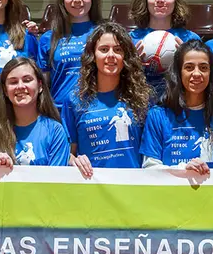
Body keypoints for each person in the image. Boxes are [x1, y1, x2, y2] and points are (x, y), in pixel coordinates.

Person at [140, 40, 213, 173]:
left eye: (203, 67)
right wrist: (184, 170)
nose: (196, 74)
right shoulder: (158, 114)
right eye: (189, 67)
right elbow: (150, 167)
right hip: (171, 192)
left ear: (211, 73)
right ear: (178, 72)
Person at [62, 22, 151, 178]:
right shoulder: (74, 100)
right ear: (93, 56)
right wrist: (74, 161)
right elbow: (68, 154)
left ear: (126, 57)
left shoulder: (142, 98)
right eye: (104, 50)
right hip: (93, 188)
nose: (111, 55)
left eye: (118, 50)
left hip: (133, 188)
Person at [0, 57, 69, 167]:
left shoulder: (55, 131)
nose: (20, 86)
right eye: (13, 82)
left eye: (27, 80)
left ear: (40, 86)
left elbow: (56, 180)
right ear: (5, 90)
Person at [129, 0, 201, 99]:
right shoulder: (131, 39)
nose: (160, 0)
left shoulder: (190, 40)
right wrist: (132, 65)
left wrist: (187, 61)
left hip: (178, 109)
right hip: (141, 109)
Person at [37, 0, 102, 110]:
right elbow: (42, 85)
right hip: (60, 111)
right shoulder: (48, 39)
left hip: (96, 111)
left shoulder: (104, 34)